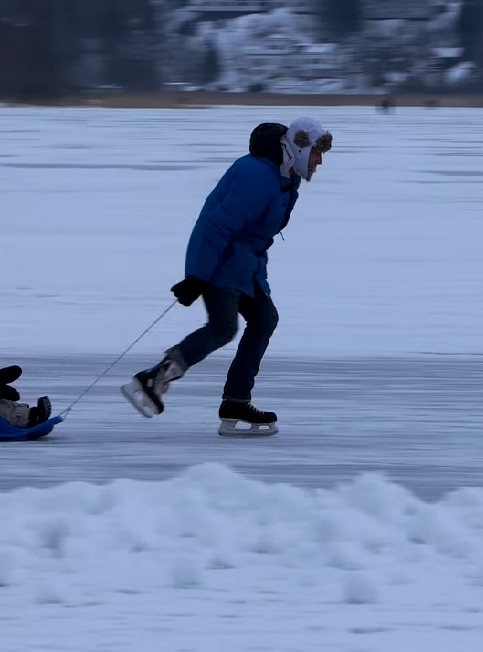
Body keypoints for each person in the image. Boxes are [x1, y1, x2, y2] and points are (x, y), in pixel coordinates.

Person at [122, 117, 332, 433]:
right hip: (219, 261)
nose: (319, 162)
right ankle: (155, 378)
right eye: (317, 154)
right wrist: (197, 276)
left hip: (246, 264)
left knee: (265, 319)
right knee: (223, 326)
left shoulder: (287, 179)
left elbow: (257, 235)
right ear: (300, 148)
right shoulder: (258, 176)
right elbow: (216, 225)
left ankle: (236, 401)